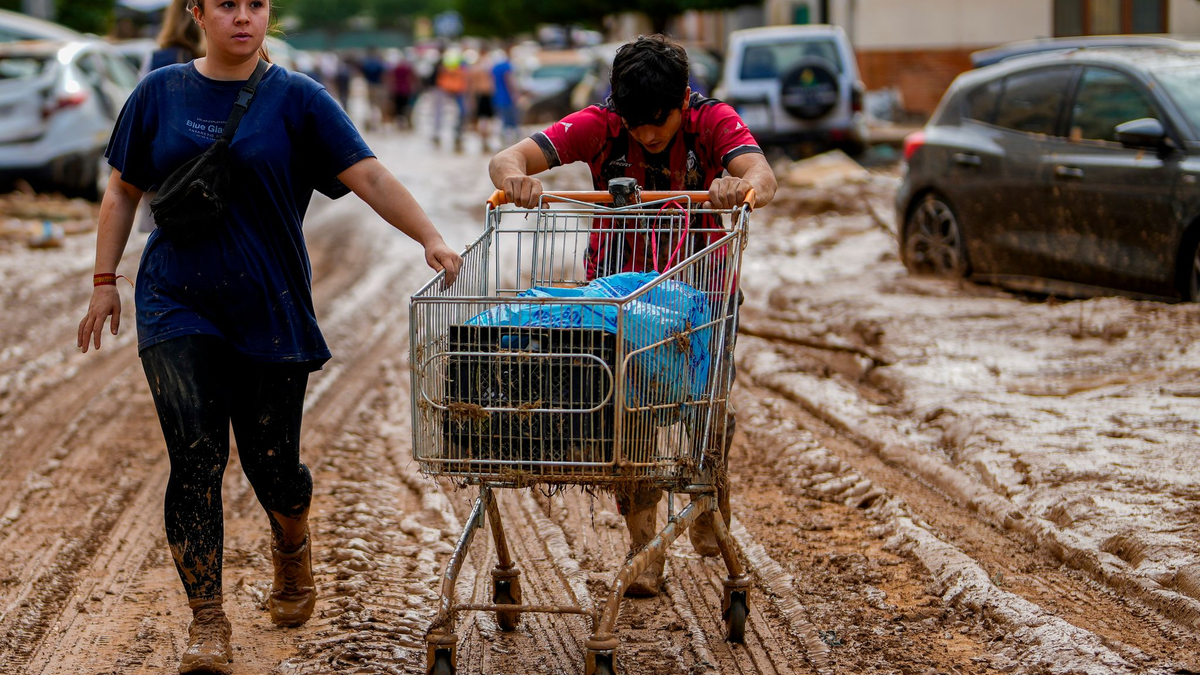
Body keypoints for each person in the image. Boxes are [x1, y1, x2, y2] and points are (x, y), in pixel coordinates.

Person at [75, 1, 462, 673]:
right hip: (175, 300)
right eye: (226, 3)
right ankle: (208, 620)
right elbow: (122, 189)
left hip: (270, 304)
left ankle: (291, 540)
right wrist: (105, 278)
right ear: (196, 11)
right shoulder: (157, 93)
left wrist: (429, 236)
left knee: (273, 466)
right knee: (195, 455)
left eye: (255, 3)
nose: (243, 17)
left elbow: (366, 173)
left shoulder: (299, 100)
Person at [488, 34, 776, 597]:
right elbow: (508, 157)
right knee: (630, 413)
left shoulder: (712, 122)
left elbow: (762, 176)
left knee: (703, 406)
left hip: (700, 293)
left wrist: (739, 186)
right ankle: (644, 547)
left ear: (684, 101)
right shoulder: (599, 124)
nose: (644, 134)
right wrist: (515, 178)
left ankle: (709, 485)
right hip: (619, 300)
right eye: (634, 122)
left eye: (658, 125)